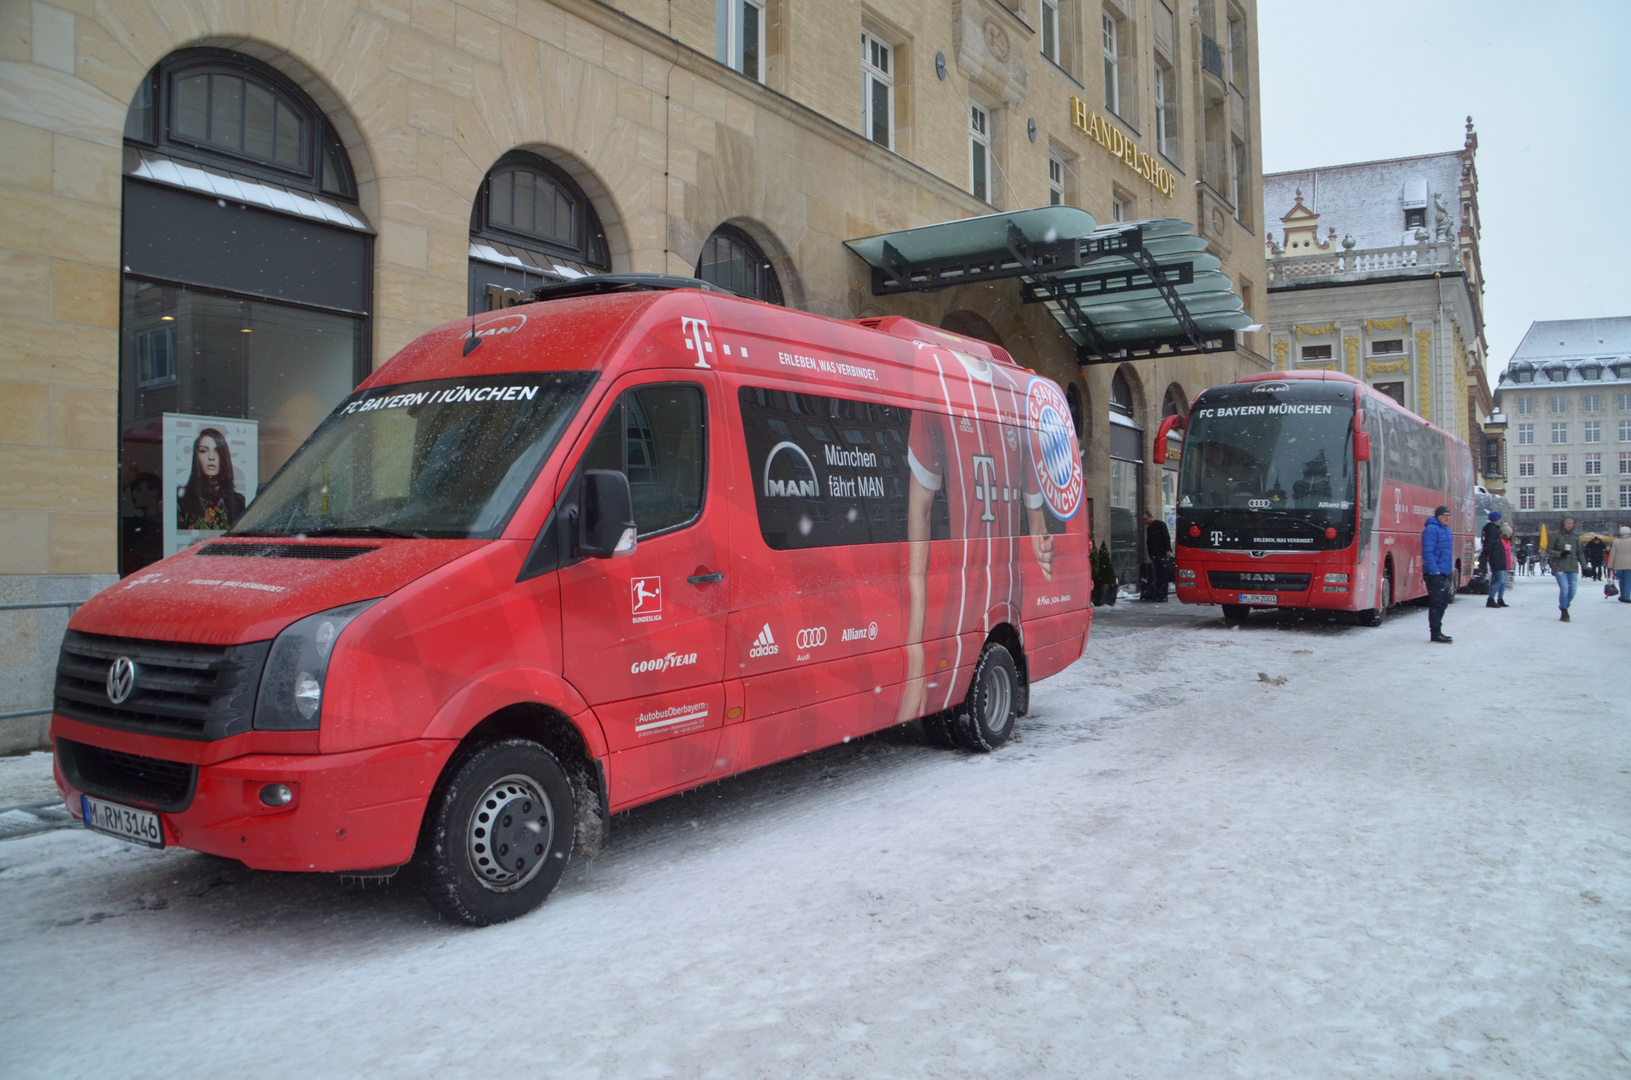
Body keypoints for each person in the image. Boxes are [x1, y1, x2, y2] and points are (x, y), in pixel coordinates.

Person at [176, 428, 246, 531]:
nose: (211, 457)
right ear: (196, 456)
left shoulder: (238, 502)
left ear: (223, 456)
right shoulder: (182, 498)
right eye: (204, 451)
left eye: (217, 451)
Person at [1421, 504, 1454, 643]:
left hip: (1444, 572)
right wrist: (1435, 571)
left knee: (1443, 602)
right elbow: (1427, 552)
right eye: (1444, 515)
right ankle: (1435, 632)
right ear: (1438, 516)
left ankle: (1438, 631)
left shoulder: (1446, 530)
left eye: (1448, 516)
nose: (1447, 518)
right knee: (1437, 603)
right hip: (1435, 573)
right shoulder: (1431, 529)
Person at [1548, 515, 1582, 621]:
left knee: (1573, 590)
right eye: (1568, 523)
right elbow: (1549, 550)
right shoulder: (1556, 535)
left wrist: (1585, 567)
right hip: (1560, 566)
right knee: (1565, 589)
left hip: (1572, 566)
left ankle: (1564, 605)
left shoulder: (1575, 536)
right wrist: (1560, 554)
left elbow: (1580, 552)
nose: (1570, 525)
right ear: (1563, 524)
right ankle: (1564, 611)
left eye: (1572, 523)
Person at [1142, 510, 1172, 602]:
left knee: (1163, 575)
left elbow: (1166, 537)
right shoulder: (1149, 528)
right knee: (1157, 576)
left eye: (1145, 519)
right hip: (1155, 554)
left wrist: (1167, 550)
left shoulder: (1160, 525)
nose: (1145, 522)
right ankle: (1159, 595)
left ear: (1150, 517)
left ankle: (1163, 595)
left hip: (1161, 553)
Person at [1481, 510, 1509, 608]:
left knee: (1499, 579)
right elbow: (1491, 544)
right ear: (1497, 519)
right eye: (1500, 517)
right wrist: (1490, 555)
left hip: (1498, 557)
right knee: (1501, 580)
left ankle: (1498, 599)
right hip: (1497, 557)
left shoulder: (1494, 528)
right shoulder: (1493, 529)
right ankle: (1491, 598)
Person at [1608, 525, 1631, 604]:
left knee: (1621, 581)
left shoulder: (1616, 541)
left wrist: (1610, 565)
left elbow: (1612, 554)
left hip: (1618, 564)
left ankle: (1622, 595)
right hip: (1629, 564)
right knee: (1628, 581)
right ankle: (1627, 597)